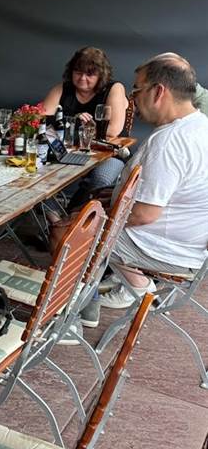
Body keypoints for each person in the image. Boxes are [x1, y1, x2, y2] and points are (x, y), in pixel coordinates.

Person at [95, 53, 208, 311]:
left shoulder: (169, 142)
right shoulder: (200, 124)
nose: (132, 98)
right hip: (191, 245)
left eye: (136, 89)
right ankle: (133, 287)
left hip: (164, 249)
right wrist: (114, 196)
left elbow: (144, 214)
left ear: (158, 92)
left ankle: (73, 317)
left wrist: (99, 215)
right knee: (89, 209)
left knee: (69, 235)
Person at [41, 46, 128, 193]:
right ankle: (53, 213)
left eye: (90, 74)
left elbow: (113, 130)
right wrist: (73, 120)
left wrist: (69, 127)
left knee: (101, 179)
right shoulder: (62, 89)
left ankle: (75, 214)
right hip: (66, 152)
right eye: (78, 72)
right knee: (37, 170)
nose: (82, 78)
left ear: (101, 75)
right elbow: (41, 121)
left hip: (108, 154)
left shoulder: (114, 88)